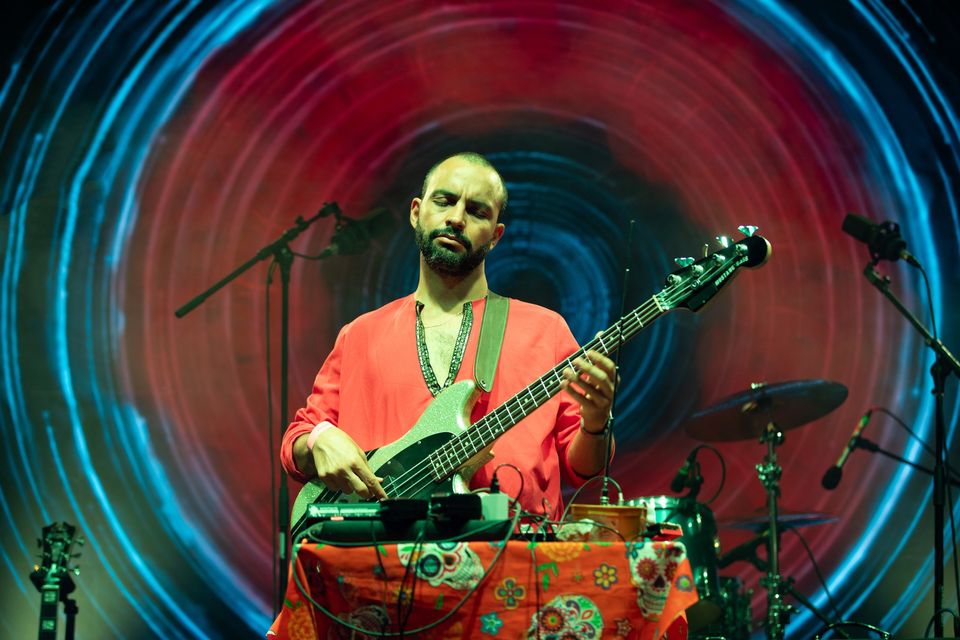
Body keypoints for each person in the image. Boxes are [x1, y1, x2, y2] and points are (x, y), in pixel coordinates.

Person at [280, 152, 616, 519]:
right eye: (444, 201)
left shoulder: (546, 331)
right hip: (380, 548)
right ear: (416, 212)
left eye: (477, 211)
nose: (456, 218)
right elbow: (298, 440)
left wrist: (595, 423)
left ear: (496, 236)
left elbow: (584, 469)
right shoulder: (360, 334)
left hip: (514, 547)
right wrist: (319, 439)